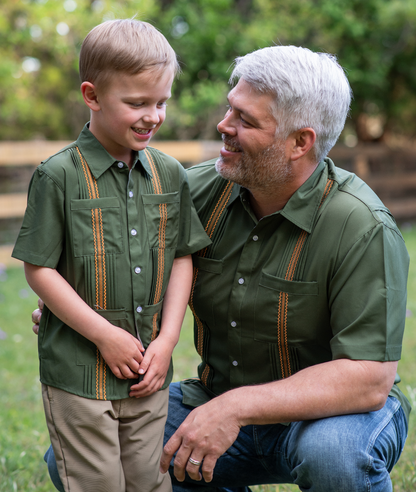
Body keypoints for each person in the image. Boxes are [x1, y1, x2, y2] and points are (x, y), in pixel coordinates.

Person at [32, 45, 410, 492]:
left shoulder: (362, 227)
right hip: (215, 397)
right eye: (231, 109)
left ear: (299, 142)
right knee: (75, 460)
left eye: (245, 121)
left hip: (334, 416)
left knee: (334, 457)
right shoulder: (189, 192)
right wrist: (83, 310)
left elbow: (367, 380)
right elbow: (120, 255)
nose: (223, 126)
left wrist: (236, 408)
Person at [14, 18, 210, 492]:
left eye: (161, 102)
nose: (153, 116)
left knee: (151, 479)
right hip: (78, 372)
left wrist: (166, 341)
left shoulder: (170, 175)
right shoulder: (57, 176)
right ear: (92, 95)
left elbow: (183, 255)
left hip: (148, 370)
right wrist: (104, 336)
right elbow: (39, 269)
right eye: (137, 103)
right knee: (97, 482)